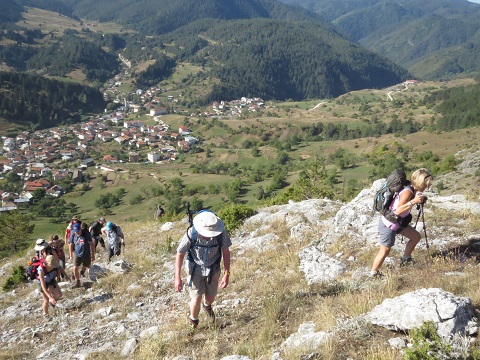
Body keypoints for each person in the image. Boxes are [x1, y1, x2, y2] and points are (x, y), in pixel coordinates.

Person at [370, 168, 433, 277]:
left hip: (399, 223)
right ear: (421, 183)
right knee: (384, 251)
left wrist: (419, 199)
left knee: (416, 237)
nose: (427, 187)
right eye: (426, 184)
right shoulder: (407, 192)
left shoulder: (411, 188)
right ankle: (373, 273)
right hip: (389, 225)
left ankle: (406, 259)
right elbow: (398, 210)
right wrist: (413, 201)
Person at [174, 211, 231, 329]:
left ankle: (207, 306)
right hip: (194, 268)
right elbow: (180, 253)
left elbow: (226, 252)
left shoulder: (221, 234)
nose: (209, 235)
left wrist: (226, 274)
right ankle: (193, 323)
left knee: (210, 297)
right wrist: (177, 277)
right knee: (196, 297)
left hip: (213, 268)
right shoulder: (191, 233)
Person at [69, 222, 95, 288]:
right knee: (75, 268)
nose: (76, 232)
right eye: (75, 231)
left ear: (80, 229)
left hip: (86, 253)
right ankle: (77, 281)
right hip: (76, 253)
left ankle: (82, 272)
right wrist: (71, 255)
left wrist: (93, 255)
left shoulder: (86, 234)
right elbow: (71, 244)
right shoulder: (73, 234)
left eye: (77, 231)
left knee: (87, 265)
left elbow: (91, 244)